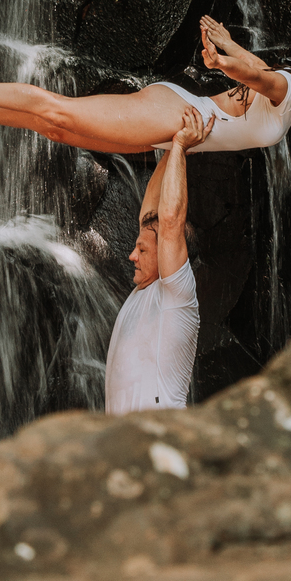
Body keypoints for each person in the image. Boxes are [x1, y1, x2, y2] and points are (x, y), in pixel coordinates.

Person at [0, 19, 291, 156]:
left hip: (167, 133)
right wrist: (227, 63)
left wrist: (228, 46)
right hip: (173, 114)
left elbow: (259, 69)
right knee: (58, 111)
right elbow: (258, 77)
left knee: (54, 130)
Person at [104, 104, 211, 414]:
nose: (132, 255)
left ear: (168, 256)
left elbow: (170, 218)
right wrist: (172, 147)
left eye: (143, 250)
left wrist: (180, 147)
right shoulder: (146, 291)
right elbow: (153, 198)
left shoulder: (176, 294)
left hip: (160, 437)